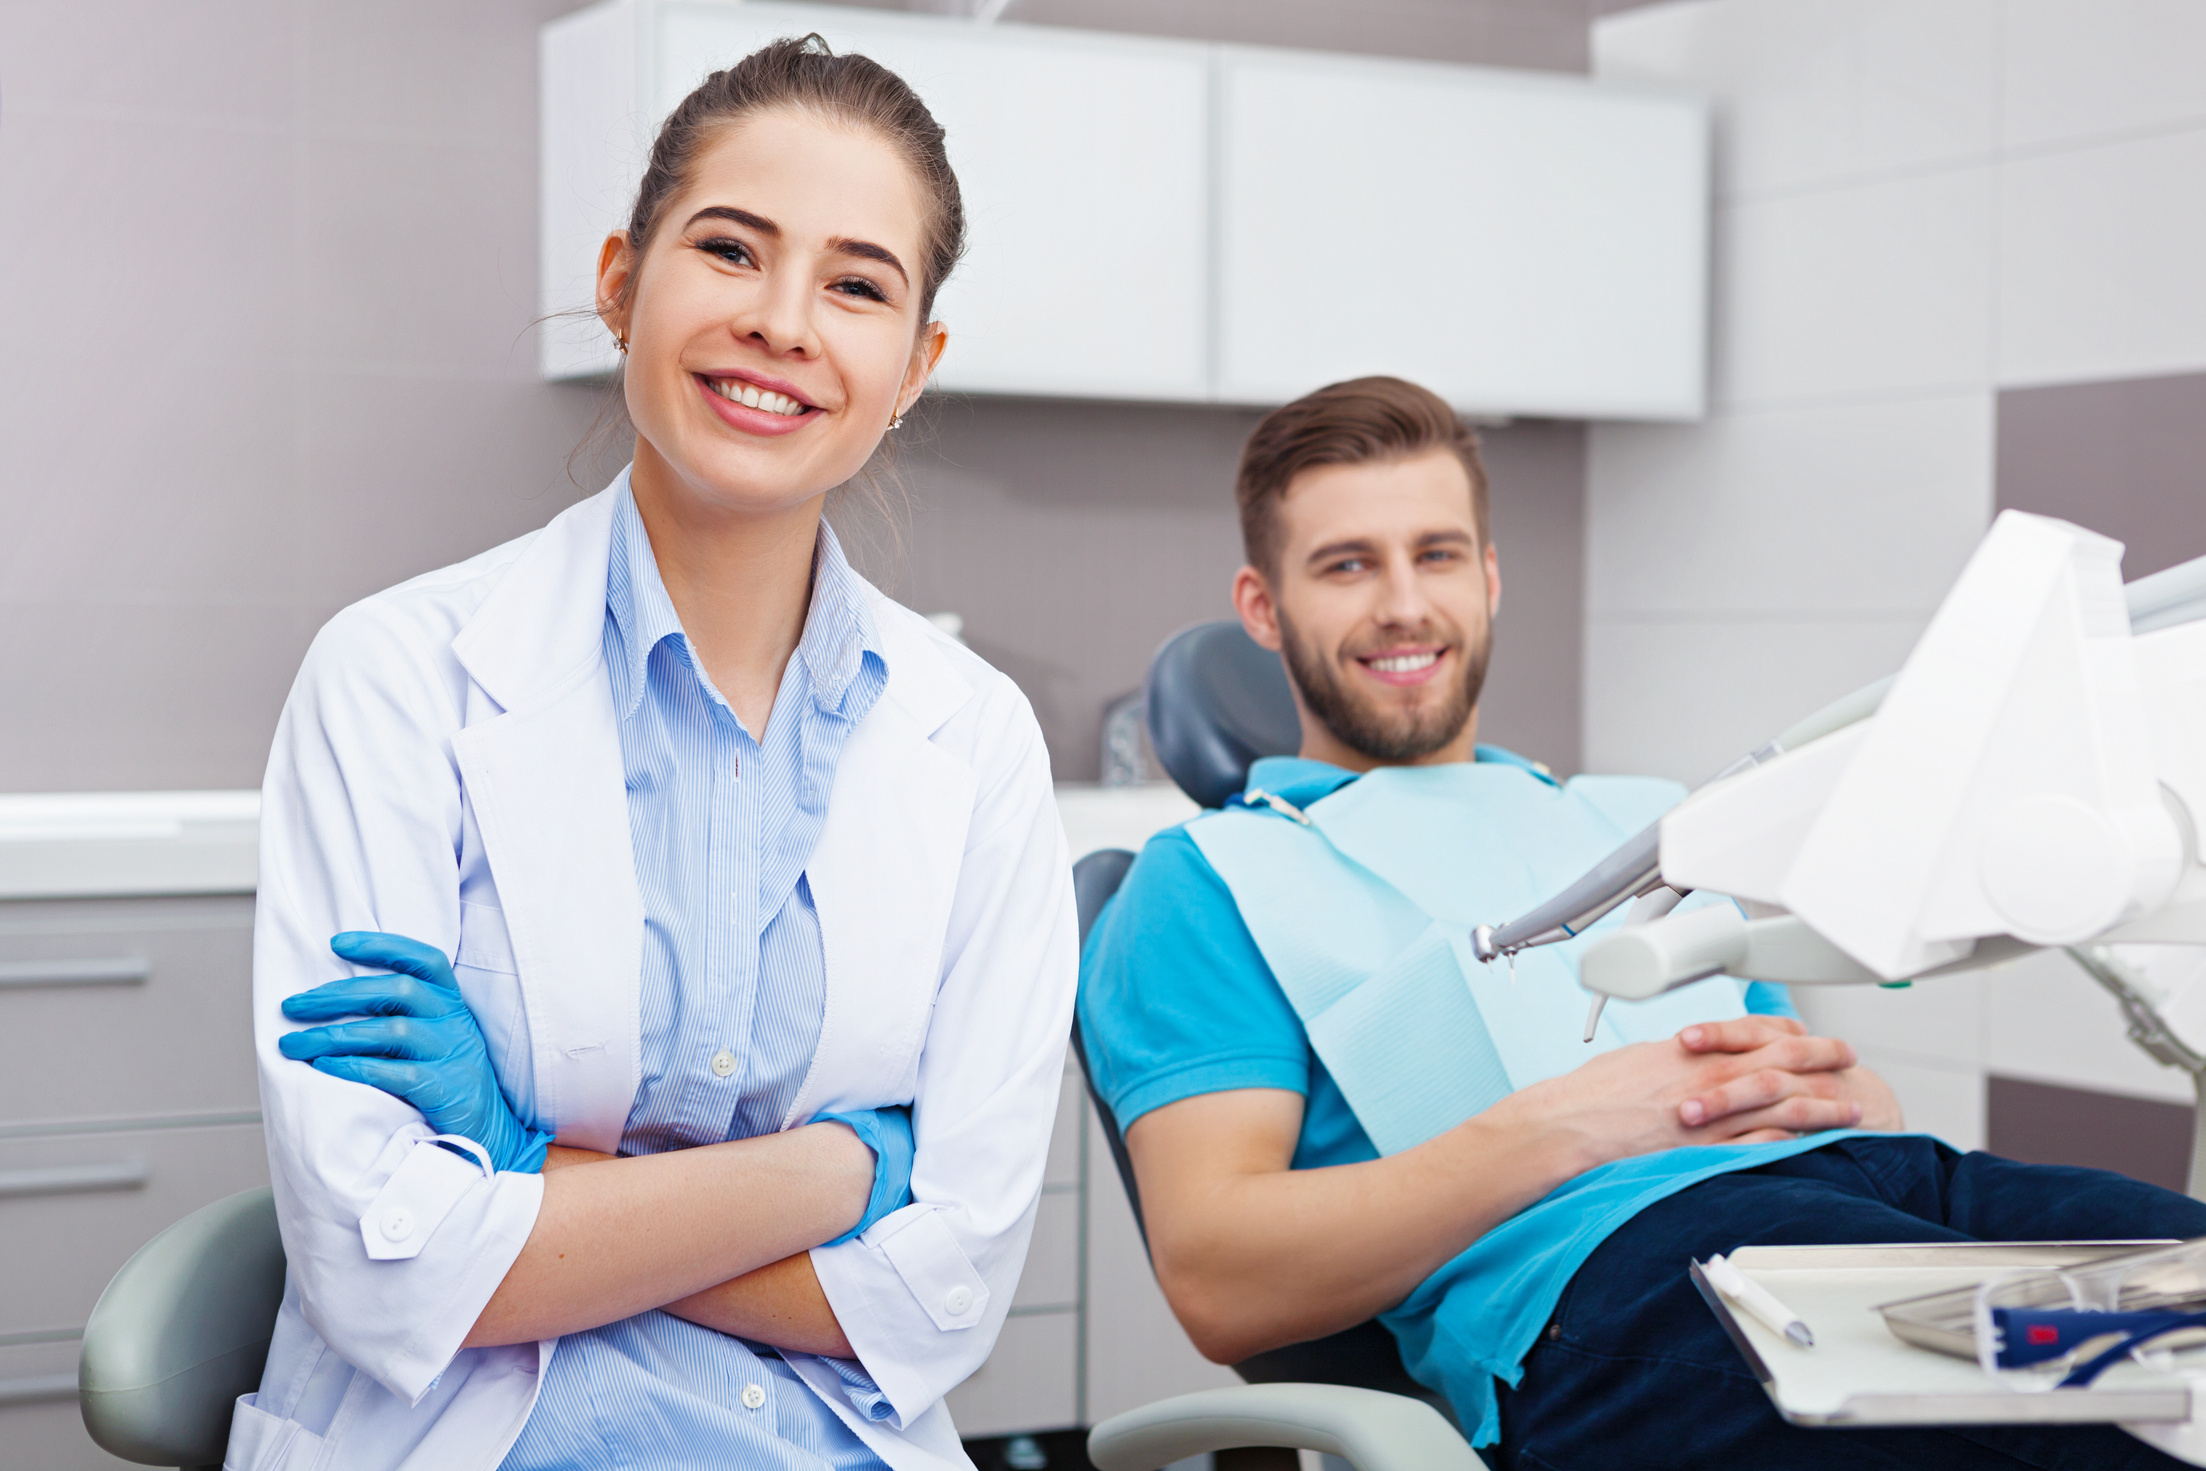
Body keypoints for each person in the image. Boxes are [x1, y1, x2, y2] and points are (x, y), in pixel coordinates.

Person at [1076, 375, 2206, 1470]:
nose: (1404, 603)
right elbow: (1218, 1277)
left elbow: (1788, 1087)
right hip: (1619, 1280)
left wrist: (1856, 1097)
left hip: (1895, 1183)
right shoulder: (1208, 877)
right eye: (1345, 565)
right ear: (1263, 609)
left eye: (1437, 554)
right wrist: (1565, 1124)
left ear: (1489, 577)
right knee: (2114, 1409)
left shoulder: (1643, 822)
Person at [235, 38, 1075, 1471]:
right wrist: (837, 1172)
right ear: (624, 282)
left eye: (857, 283)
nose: (784, 321)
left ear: (914, 366)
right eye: (731, 249)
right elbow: (385, 1267)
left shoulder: (975, 740)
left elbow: (942, 1294)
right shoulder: (396, 681)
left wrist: (517, 1164)